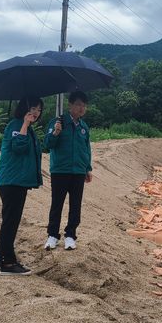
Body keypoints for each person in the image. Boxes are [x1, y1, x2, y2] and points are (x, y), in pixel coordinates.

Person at [0, 97, 44, 275]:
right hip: (12, 181)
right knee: (10, 221)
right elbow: (19, 147)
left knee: (11, 220)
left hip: (17, 181)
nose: (36, 113)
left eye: (39, 109)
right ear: (23, 108)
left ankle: (2, 258)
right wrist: (24, 124)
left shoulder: (27, 128)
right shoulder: (16, 125)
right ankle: (7, 264)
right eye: (32, 108)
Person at [43, 91, 93, 251]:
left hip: (78, 171)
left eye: (84, 106)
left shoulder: (83, 127)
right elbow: (48, 144)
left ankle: (70, 235)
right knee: (57, 203)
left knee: (75, 204)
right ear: (70, 105)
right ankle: (52, 235)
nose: (81, 108)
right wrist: (56, 132)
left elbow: (86, 149)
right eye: (78, 104)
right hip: (60, 170)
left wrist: (88, 168)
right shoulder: (58, 122)